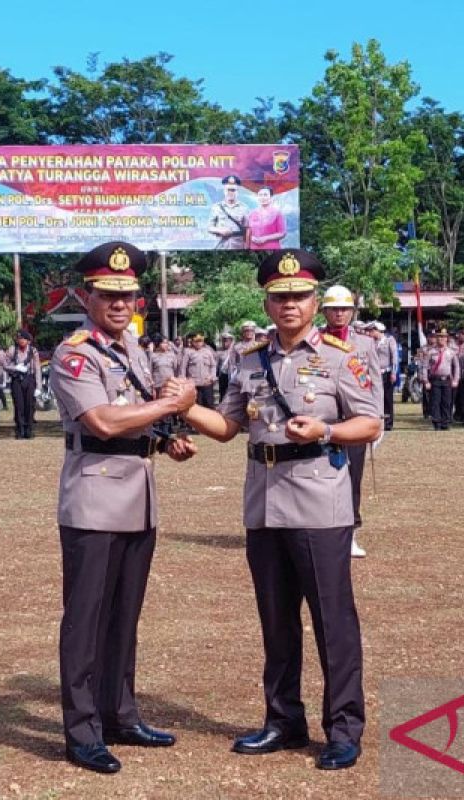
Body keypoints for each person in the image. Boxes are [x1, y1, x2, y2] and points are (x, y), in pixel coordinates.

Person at [172, 249, 383, 772]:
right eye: (279, 297)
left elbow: (371, 422)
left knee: (333, 620)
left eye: (299, 296)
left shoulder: (341, 356)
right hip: (264, 505)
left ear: (314, 301)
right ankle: (284, 720)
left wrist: (328, 431)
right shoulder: (248, 359)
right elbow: (226, 426)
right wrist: (183, 407)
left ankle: (343, 728)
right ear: (267, 302)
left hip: (318, 503)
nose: (289, 304)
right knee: (276, 621)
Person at [48, 241, 198, 775]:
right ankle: (82, 731)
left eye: (127, 295)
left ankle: (120, 714)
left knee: (124, 618)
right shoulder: (75, 353)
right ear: (87, 296)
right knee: (86, 620)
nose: (118, 303)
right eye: (107, 294)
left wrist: (164, 439)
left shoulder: (131, 350)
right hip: (94, 499)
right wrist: (172, 406)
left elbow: (135, 423)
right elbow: (105, 423)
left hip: (137, 497)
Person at [318, 284, 378, 558]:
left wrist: (375, 421)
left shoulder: (365, 343)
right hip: (325, 419)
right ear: (324, 312)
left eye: (344, 309)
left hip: (355, 421)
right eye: (333, 309)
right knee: (321, 476)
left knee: (353, 478)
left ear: (353, 311)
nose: (339, 314)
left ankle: (351, 531)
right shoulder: (315, 341)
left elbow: (374, 382)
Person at [3, 330, 41, 439]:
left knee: (29, 405)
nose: (21, 341)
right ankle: (20, 430)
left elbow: (37, 368)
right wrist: (15, 367)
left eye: (23, 339)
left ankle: (29, 430)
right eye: (19, 339)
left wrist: (38, 386)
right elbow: (4, 364)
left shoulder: (33, 351)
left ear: (28, 341)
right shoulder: (12, 350)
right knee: (19, 405)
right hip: (16, 379)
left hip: (29, 379)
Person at [421, 329, 460, 430]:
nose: (441, 339)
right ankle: (437, 422)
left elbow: (457, 367)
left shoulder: (451, 352)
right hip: (435, 380)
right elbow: (425, 367)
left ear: (447, 339)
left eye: (443, 337)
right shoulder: (431, 352)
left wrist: (456, 379)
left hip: (447, 379)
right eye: (439, 337)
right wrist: (426, 381)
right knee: (435, 402)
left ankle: (445, 422)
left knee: (446, 402)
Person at [207, 175, 248, 250]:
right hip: (220, 246)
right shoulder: (216, 207)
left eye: (233, 190)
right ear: (224, 191)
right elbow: (209, 227)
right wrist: (219, 230)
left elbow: (248, 229)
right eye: (228, 190)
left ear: (237, 191)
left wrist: (247, 247)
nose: (230, 193)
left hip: (238, 247)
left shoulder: (244, 208)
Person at [177, 334, 218, 408]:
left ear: (203, 342)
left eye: (200, 341)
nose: (198, 343)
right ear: (192, 342)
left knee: (209, 404)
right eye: (196, 341)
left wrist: (212, 376)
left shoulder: (208, 352)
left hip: (206, 383)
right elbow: (183, 367)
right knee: (197, 405)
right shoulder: (188, 352)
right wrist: (183, 380)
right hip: (194, 384)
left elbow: (213, 365)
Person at [245, 186, 286, 250]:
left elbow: (282, 233)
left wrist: (265, 238)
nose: (263, 197)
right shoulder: (252, 213)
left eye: (265, 195)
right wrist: (251, 238)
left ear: (271, 197)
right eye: (260, 195)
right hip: (253, 249)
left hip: (271, 248)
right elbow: (248, 231)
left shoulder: (277, 213)